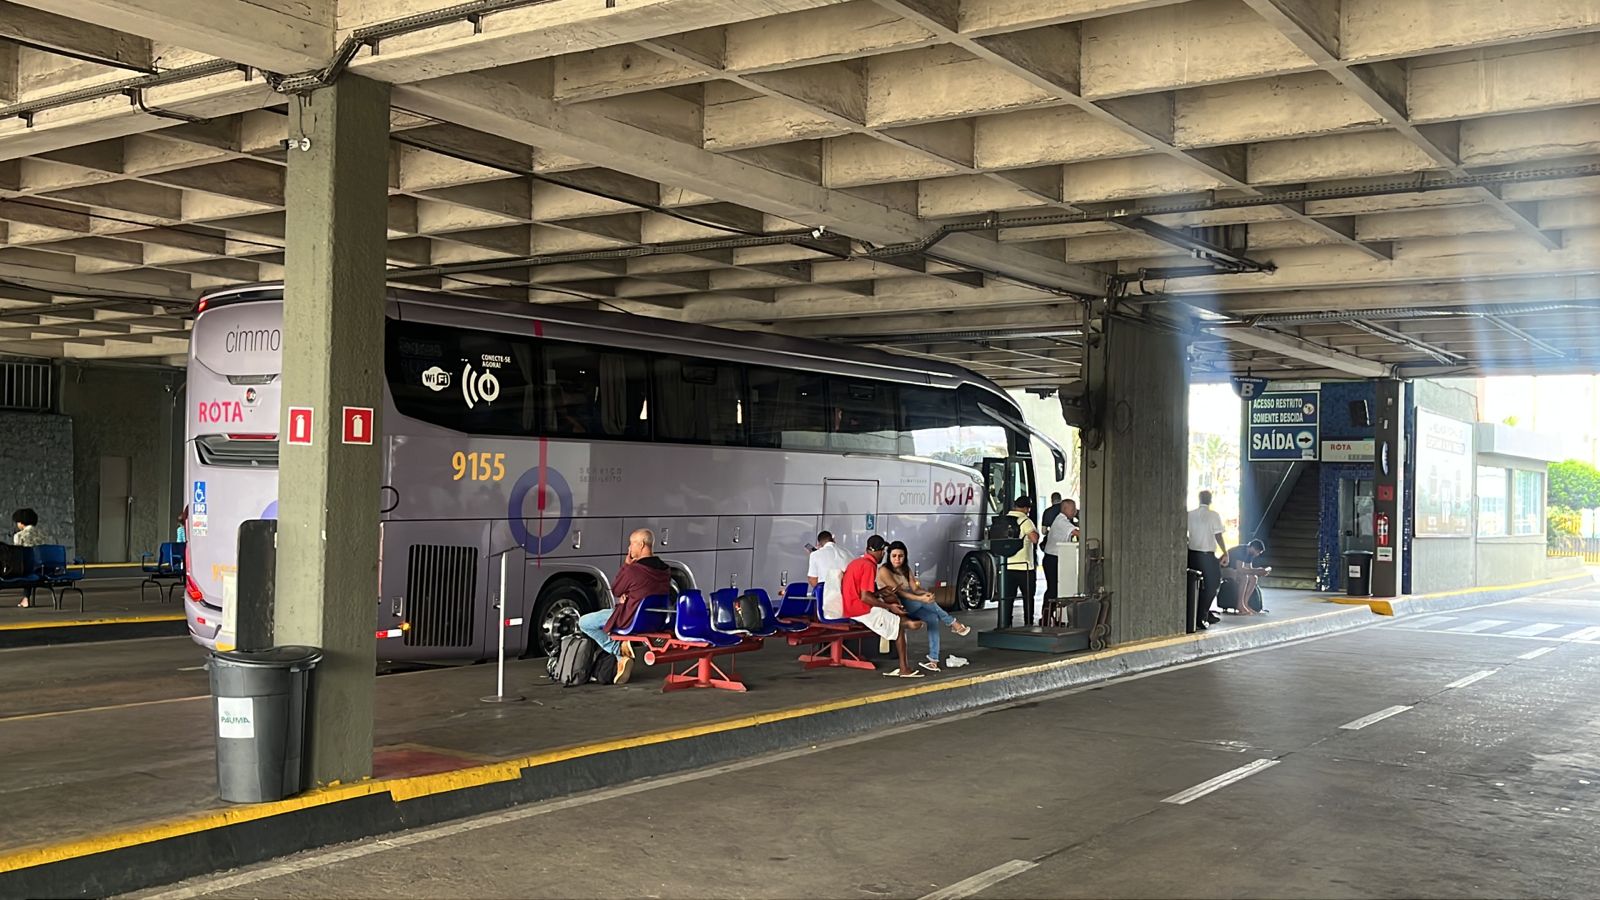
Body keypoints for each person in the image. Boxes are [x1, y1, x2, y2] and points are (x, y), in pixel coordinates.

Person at [578, 528, 672, 685]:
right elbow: (644, 589)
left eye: (631, 544)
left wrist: (626, 566)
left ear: (641, 545)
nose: (629, 548)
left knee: (584, 622)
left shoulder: (634, 570)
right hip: (654, 620)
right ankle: (621, 652)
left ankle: (620, 652)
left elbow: (616, 589)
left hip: (629, 617)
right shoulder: (664, 569)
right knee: (604, 614)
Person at [878, 540, 970, 672]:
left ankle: (933, 660)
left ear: (905, 556)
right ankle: (952, 622)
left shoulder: (906, 569)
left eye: (900, 556)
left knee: (932, 617)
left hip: (909, 604)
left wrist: (927, 594)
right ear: (889, 556)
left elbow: (915, 588)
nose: (897, 559)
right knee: (922, 601)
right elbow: (900, 593)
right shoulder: (884, 570)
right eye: (894, 556)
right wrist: (921, 599)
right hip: (895, 606)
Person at [840, 535, 923, 678]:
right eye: (883, 551)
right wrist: (889, 607)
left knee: (895, 614)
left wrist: (880, 592)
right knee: (899, 626)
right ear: (879, 551)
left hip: (852, 605)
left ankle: (906, 621)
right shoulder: (869, 565)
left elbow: (862, 592)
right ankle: (904, 668)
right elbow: (865, 597)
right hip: (860, 609)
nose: (884, 554)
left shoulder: (857, 562)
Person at [1186, 491, 1227, 631]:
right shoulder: (1213, 515)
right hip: (1207, 556)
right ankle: (1201, 616)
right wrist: (1225, 552)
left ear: (1199, 499)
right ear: (1210, 500)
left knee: (1193, 586)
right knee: (1213, 584)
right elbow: (1218, 535)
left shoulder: (1189, 514)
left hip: (1191, 555)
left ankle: (1194, 614)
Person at [1001, 497, 1040, 626]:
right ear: (1027, 509)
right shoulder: (1025, 521)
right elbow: (1034, 539)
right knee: (1028, 598)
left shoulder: (1005, 519)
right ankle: (1028, 623)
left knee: (1008, 599)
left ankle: (1006, 624)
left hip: (1007, 566)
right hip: (1024, 567)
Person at [806, 530, 853, 618]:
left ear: (819, 543)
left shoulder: (815, 555)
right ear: (833, 540)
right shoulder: (847, 552)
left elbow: (813, 580)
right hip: (848, 596)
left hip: (827, 599)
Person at [1219, 540, 1271, 616]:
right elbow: (1240, 569)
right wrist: (1257, 570)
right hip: (1225, 569)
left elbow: (1249, 569)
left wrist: (1259, 572)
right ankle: (1239, 605)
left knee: (1254, 578)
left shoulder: (1250, 554)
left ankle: (1245, 604)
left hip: (1234, 570)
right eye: (1258, 552)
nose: (1257, 554)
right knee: (1244, 577)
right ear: (1253, 548)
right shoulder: (1241, 550)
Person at [1042, 497, 1079, 600]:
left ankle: (1050, 613)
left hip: (1054, 558)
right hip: (1052, 559)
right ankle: (1047, 614)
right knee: (1053, 589)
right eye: (1073, 509)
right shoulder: (1062, 521)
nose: (1075, 511)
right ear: (1065, 509)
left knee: (1054, 588)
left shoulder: (1064, 520)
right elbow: (1078, 533)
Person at [10, 508, 45, 608]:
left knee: (25, 566)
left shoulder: (19, 535)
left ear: (21, 523)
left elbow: (17, 553)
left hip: (27, 567)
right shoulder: (42, 534)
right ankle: (26, 598)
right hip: (42, 565)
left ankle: (26, 598)